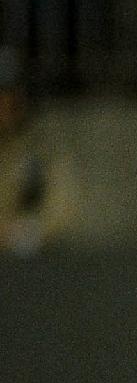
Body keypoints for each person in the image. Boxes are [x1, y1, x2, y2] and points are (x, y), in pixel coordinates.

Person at [0, 50, 79, 253]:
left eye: (12, 96)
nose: (7, 105)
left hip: (25, 264)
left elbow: (62, 206)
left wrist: (22, 233)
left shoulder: (40, 146)